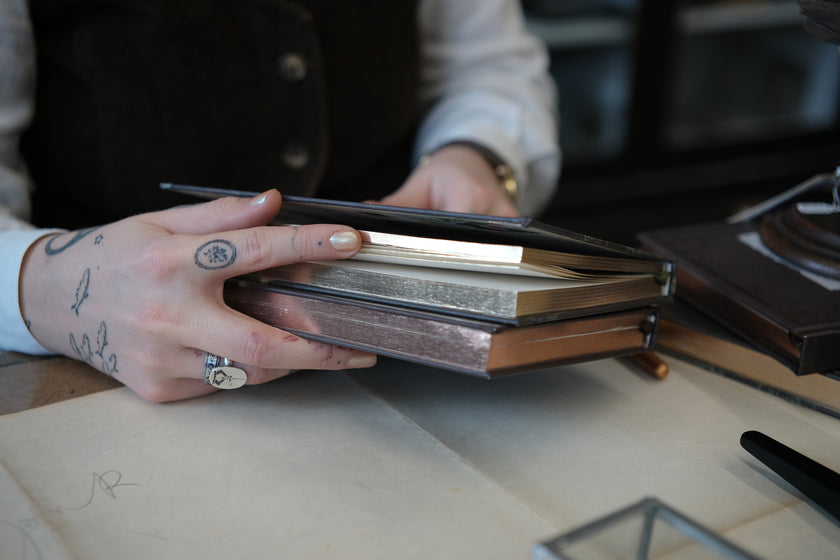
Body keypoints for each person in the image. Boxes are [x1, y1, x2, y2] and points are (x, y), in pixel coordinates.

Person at [0, 0, 560, 401]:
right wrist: (44, 288)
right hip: (103, 369)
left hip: (416, 362)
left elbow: (487, 65)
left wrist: (475, 152)